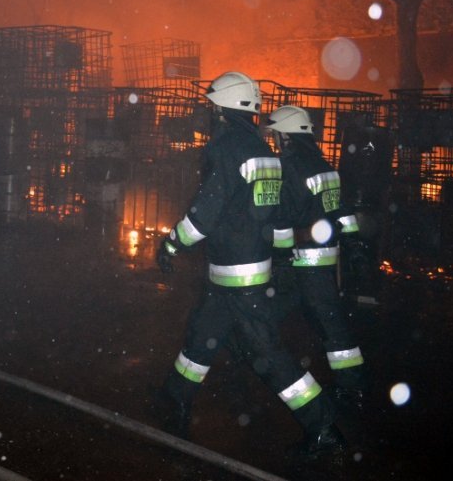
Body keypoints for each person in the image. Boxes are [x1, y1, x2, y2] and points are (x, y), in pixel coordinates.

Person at [154, 72, 345, 461]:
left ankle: (323, 427)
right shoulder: (264, 152)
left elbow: (205, 212)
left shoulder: (227, 148)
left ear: (224, 110)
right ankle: (174, 398)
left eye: (212, 108)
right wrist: (280, 256)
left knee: (270, 356)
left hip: (237, 279)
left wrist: (173, 243)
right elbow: (274, 217)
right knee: (201, 336)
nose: (209, 115)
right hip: (238, 275)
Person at [265, 105, 368, 409]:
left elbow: (283, 219)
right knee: (321, 323)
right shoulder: (326, 166)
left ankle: (354, 386)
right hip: (323, 260)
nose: (275, 140)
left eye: (277, 135)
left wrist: (281, 258)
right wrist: (354, 246)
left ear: (285, 136)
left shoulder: (289, 167)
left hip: (302, 261)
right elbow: (343, 213)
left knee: (331, 327)